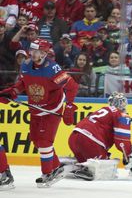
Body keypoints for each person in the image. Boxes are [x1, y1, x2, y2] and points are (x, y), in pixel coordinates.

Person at [0, 39, 79, 188]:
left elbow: (72, 86)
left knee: (44, 142)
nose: (32, 54)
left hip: (51, 110)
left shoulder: (53, 69)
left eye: (36, 51)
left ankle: (47, 173)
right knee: (36, 141)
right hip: (36, 109)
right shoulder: (26, 65)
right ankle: (56, 167)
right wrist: (12, 92)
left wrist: (69, 106)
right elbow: (24, 83)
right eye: (32, 50)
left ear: (44, 53)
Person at [68, 92, 132, 180]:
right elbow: (122, 141)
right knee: (106, 169)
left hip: (73, 138)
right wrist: (127, 154)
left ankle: (71, 167)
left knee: (84, 162)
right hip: (90, 141)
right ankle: (89, 171)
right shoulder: (122, 115)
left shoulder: (103, 110)